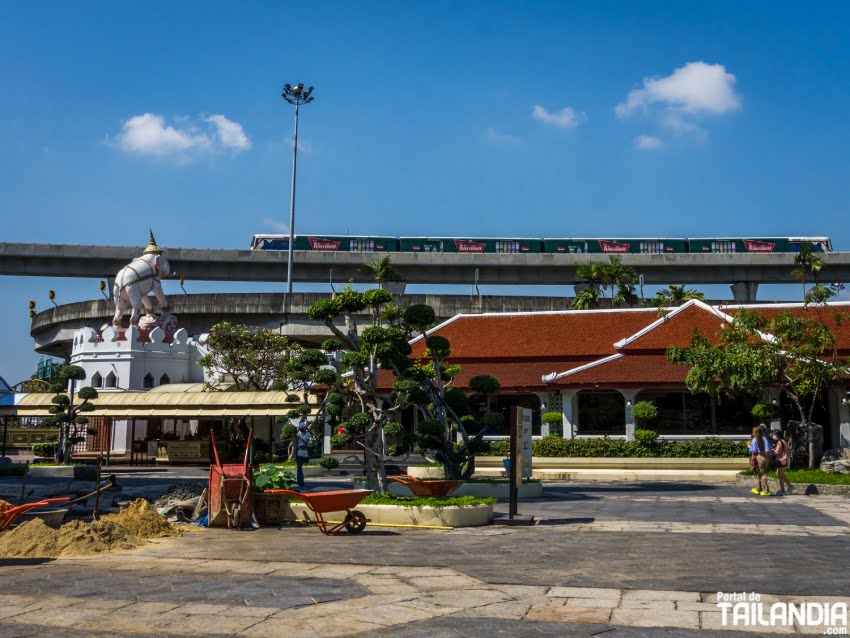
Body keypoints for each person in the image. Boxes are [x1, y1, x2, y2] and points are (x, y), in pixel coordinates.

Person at [748, 425, 773, 496]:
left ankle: (766, 490)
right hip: (765, 457)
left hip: (759, 457)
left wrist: (749, 446)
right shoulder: (764, 438)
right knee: (760, 473)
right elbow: (768, 450)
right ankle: (758, 488)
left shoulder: (754, 440)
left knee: (762, 474)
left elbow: (754, 451)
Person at [770, 430, 794, 494]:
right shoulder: (782, 441)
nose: (773, 436)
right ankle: (790, 486)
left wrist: (769, 452)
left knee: (780, 476)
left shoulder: (780, 442)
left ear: (777, 435)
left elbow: (777, 451)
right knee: (779, 474)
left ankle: (783, 491)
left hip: (782, 460)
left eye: (774, 435)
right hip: (783, 459)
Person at [294, 420, 312, 487]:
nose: (300, 430)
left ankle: (301, 482)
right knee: (299, 467)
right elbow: (296, 442)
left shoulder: (308, 434)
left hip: (304, 450)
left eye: (301, 429)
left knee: (300, 467)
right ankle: (300, 481)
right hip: (298, 450)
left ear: (304, 428)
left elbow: (307, 443)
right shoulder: (299, 433)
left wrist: (301, 438)